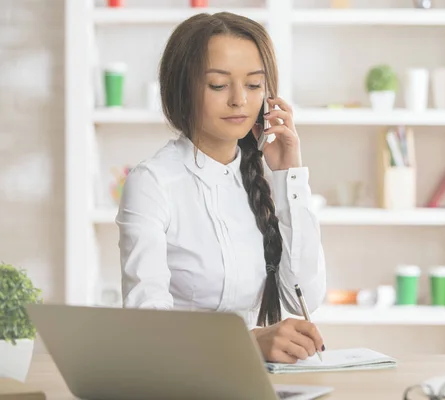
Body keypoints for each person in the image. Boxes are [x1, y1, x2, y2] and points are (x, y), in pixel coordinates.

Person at [115, 11, 327, 364]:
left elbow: (304, 296)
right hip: (179, 381)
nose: (239, 100)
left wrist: (289, 173)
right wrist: (248, 343)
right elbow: (146, 327)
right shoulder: (152, 183)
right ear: (183, 89)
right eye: (218, 85)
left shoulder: (262, 180)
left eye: (254, 85)